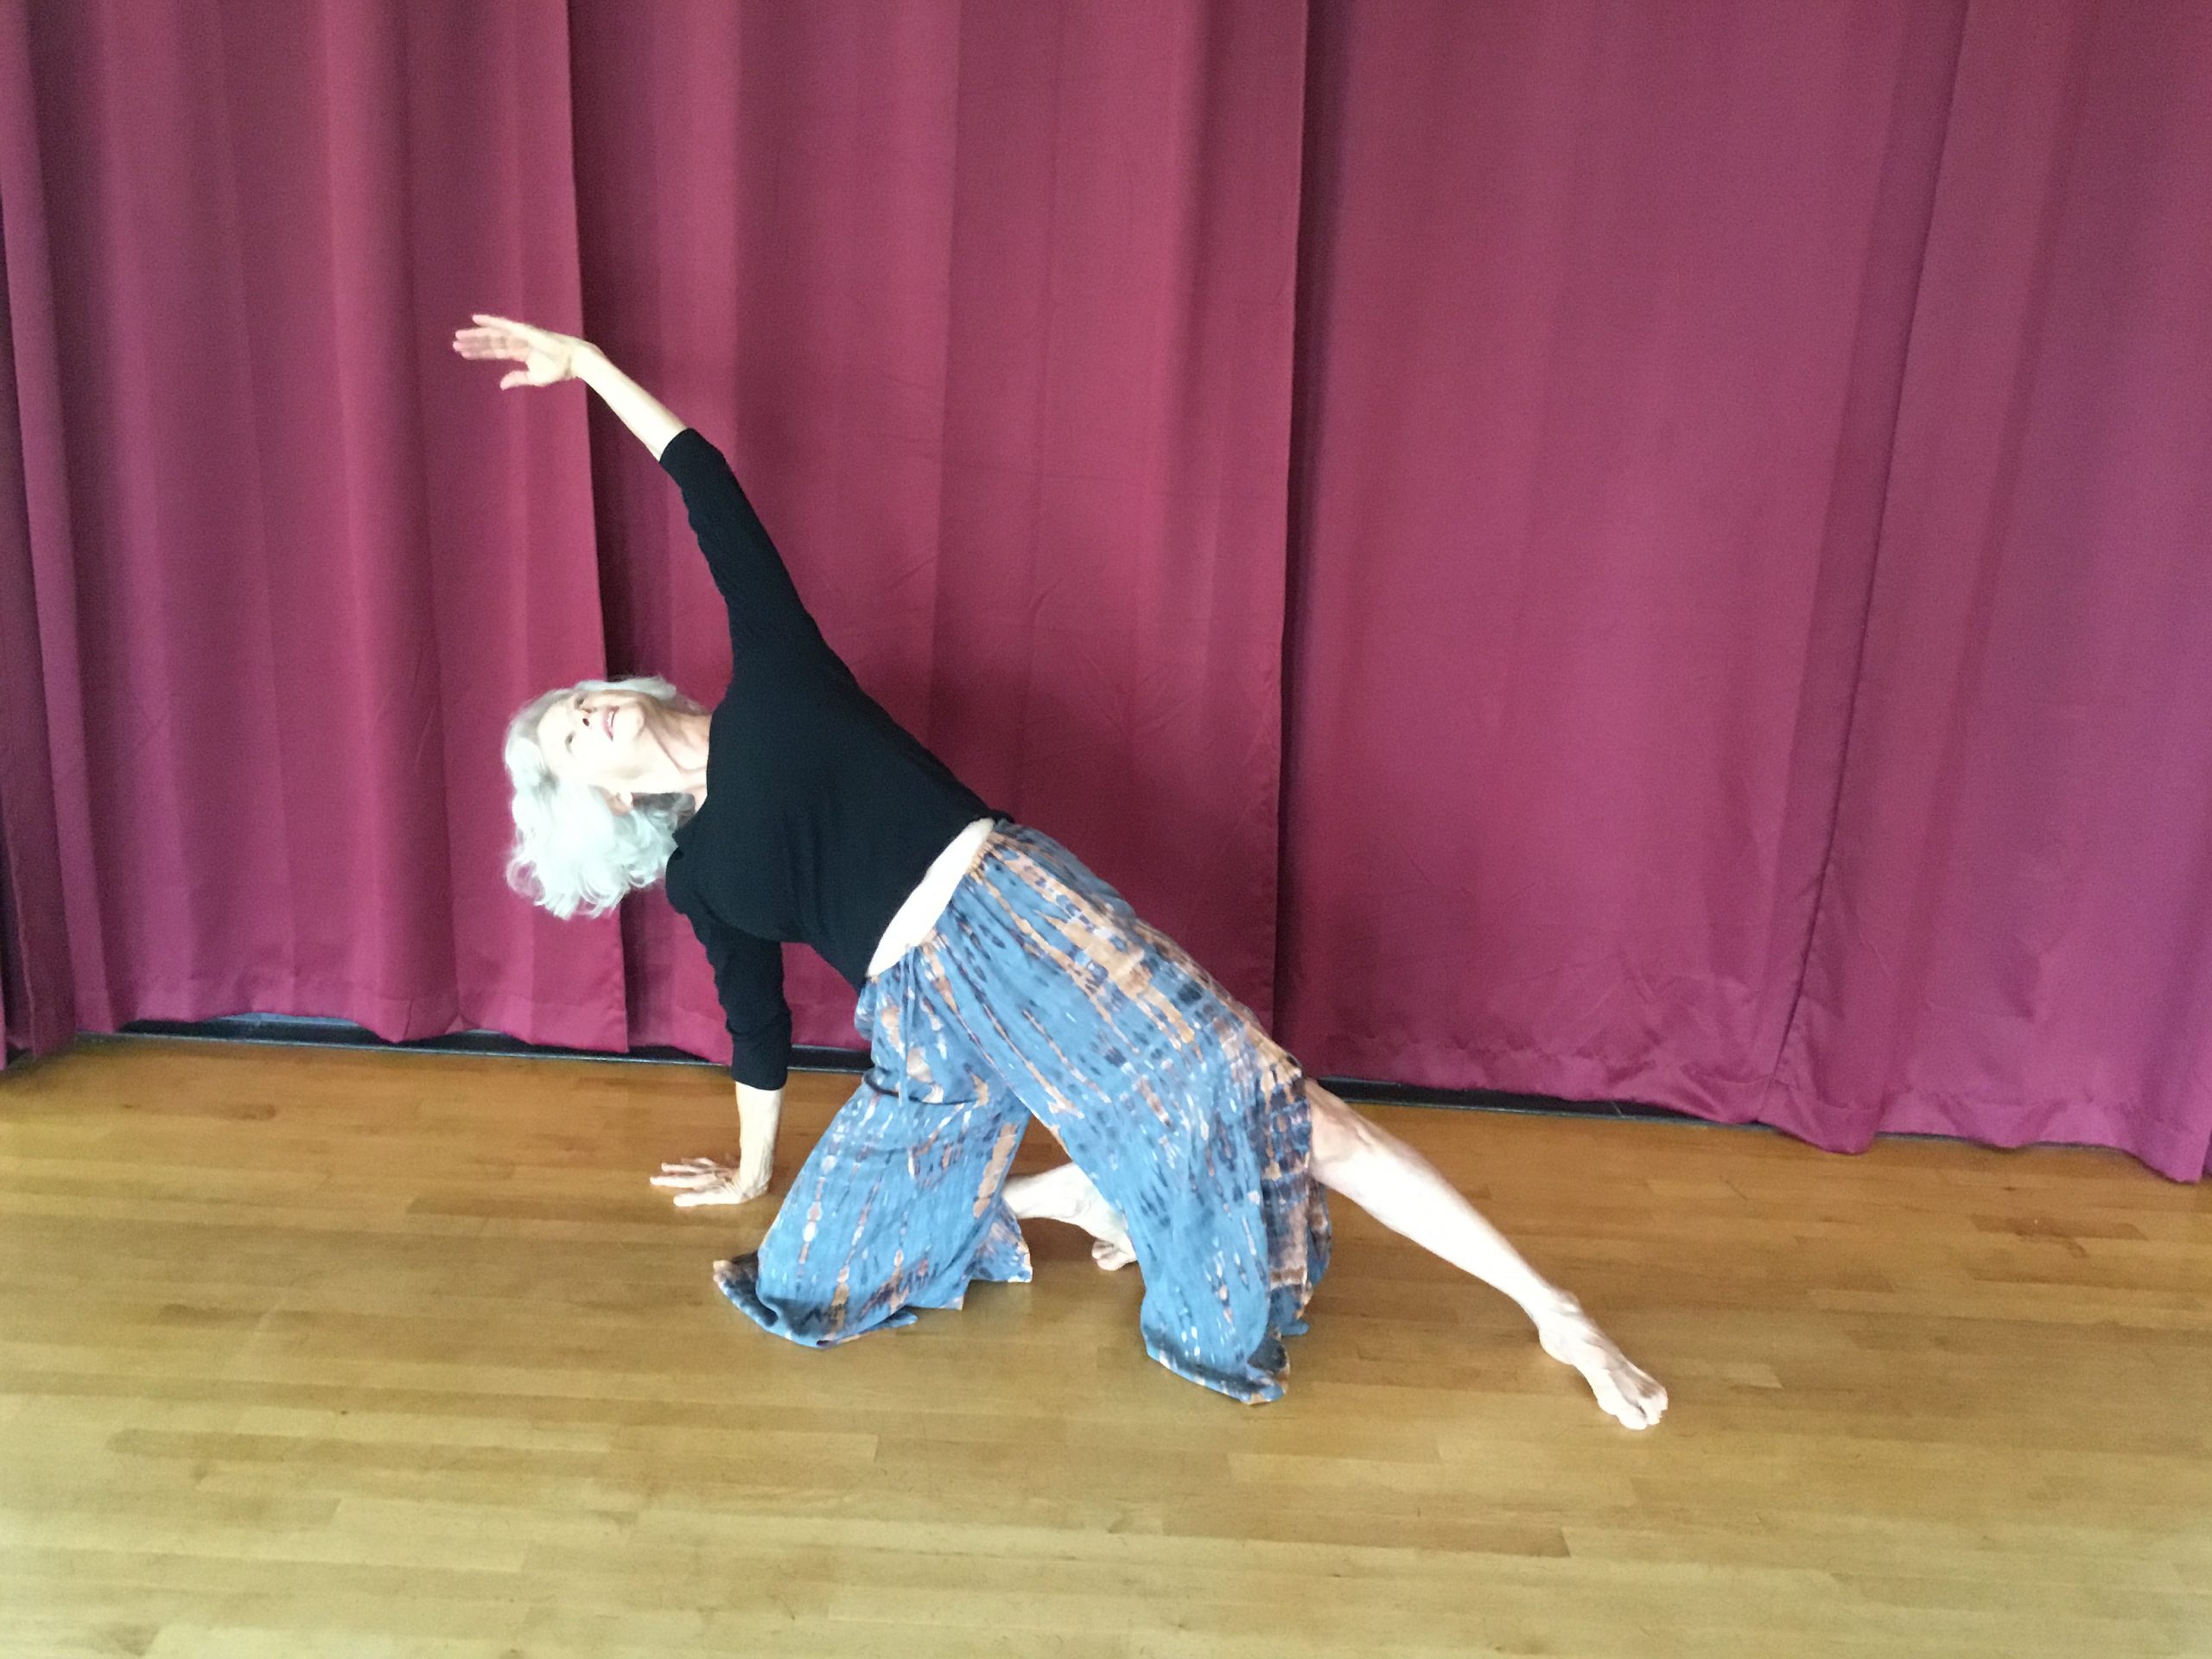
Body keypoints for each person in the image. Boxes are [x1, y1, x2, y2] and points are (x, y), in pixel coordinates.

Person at [455, 313, 1667, 1427]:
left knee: (1293, 1113)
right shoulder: (701, 877)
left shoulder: (777, 674)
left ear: (626, 693)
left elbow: (709, 490)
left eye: (582, 701)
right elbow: (753, 1017)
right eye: (569, 740)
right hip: (922, 1012)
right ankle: (1084, 1192)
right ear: (603, 800)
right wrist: (754, 1165)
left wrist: (595, 369)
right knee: (803, 1271)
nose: (590, 714)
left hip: (1015, 915)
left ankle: (1551, 1311)